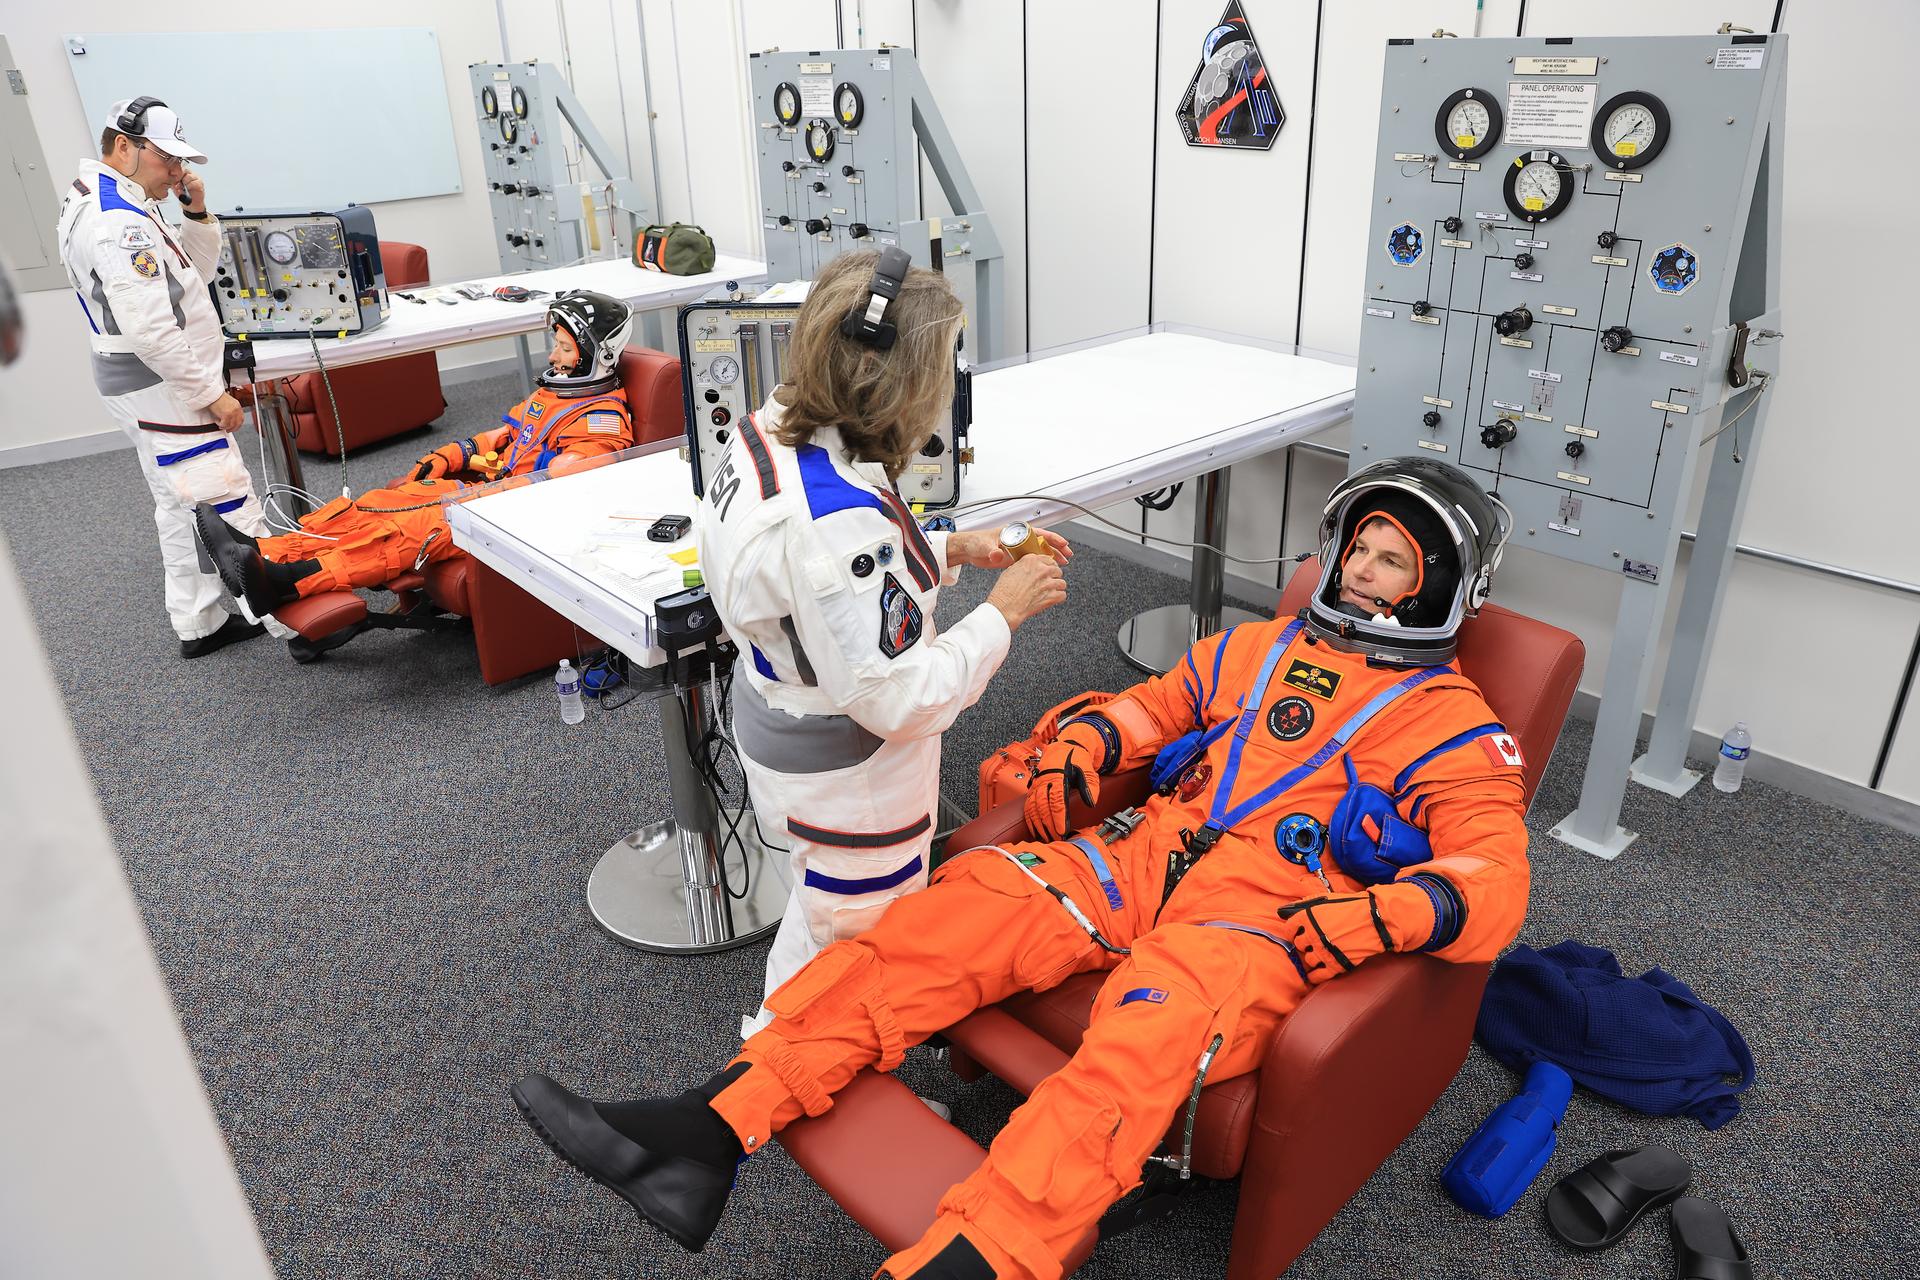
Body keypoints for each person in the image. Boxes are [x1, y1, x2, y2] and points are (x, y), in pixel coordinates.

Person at [509, 457, 1533, 1279]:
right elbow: (1160, 706)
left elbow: (1492, 876)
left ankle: (983, 1252)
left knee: (1145, 1034)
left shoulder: (1452, 724)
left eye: (1393, 561)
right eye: (1360, 547)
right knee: (956, 910)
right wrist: (1095, 738)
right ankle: (710, 1128)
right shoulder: (1257, 647)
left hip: (1259, 919)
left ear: (1438, 587)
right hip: (1149, 852)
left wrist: (1377, 919)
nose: (1362, 569)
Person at [694, 250, 1071, 1037]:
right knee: (860, 958)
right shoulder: (831, 524)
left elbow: (831, 593)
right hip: (852, 782)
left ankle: (767, 1042)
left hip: (788, 731)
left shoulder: (773, 431)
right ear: (897, 383)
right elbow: (900, 696)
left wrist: (950, 550)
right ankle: (829, 1100)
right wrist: (1002, 612)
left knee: (818, 915)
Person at [193, 291, 635, 618]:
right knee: (376, 504)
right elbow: (505, 435)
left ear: (596, 355)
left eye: (563, 347)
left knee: (405, 531)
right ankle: (265, 550)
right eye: (555, 343)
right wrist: (449, 455)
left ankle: (287, 582)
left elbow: (575, 477)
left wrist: (492, 490)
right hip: (487, 493)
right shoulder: (554, 394)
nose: (552, 354)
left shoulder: (602, 417)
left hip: (513, 514)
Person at [56, 97, 292, 658]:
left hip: (137, 384)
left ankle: (199, 622)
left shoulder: (112, 198)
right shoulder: (119, 224)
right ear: (123, 147)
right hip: (162, 385)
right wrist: (210, 394)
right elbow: (153, 331)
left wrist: (196, 213)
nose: (179, 172)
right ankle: (301, 622)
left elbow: (190, 277)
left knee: (177, 502)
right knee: (226, 496)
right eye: (168, 160)